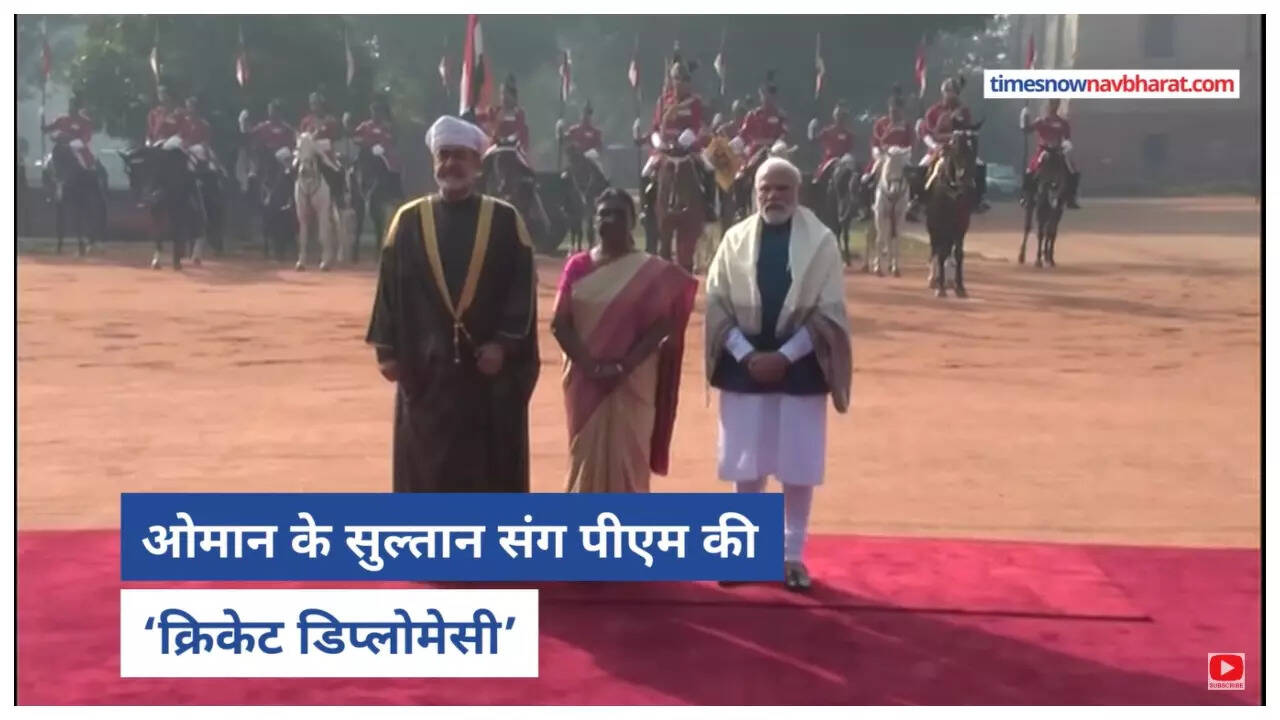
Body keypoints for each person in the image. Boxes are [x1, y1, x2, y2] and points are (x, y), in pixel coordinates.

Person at [365, 115, 540, 493]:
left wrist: (503, 345)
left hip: (486, 375)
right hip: (426, 373)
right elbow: (389, 289)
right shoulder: (408, 222)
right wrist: (386, 351)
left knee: (487, 471)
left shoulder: (505, 221)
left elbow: (521, 288)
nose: (451, 164)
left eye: (460, 156)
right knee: (426, 470)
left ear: (477, 163)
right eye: (443, 155)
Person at [705, 156, 852, 591]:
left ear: (798, 192)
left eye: (782, 188)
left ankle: (791, 557)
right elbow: (717, 305)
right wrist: (747, 355)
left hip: (802, 366)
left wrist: (785, 357)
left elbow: (828, 312)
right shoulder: (733, 240)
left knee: (797, 465)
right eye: (765, 189)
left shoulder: (822, 242)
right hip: (743, 365)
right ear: (755, 193)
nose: (773, 196)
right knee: (746, 464)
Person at [552, 187, 698, 493]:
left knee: (631, 459)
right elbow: (559, 323)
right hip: (585, 382)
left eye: (619, 214)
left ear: (633, 221)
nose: (610, 220)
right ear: (594, 220)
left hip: (634, 381)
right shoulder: (577, 266)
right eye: (604, 213)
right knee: (584, 457)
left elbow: (663, 324)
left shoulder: (652, 271)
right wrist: (591, 367)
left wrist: (624, 366)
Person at [641, 55, 716, 225]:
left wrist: (684, 140)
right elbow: (656, 126)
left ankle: (709, 206)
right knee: (645, 173)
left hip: (688, 147)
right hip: (665, 147)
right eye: (678, 79)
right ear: (672, 80)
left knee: (709, 169)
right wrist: (658, 142)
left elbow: (695, 126)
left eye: (685, 80)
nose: (681, 83)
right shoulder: (663, 101)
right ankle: (646, 209)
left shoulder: (694, 102)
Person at [907, 76, 988, 220]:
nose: (951, 95)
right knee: (921, 167)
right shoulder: (933, 111)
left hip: (959, 148)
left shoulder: (964, 110)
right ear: (943, 92)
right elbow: (927, 133)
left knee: (980, 165)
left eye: (954, 92)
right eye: (948, 92)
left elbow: (967, 129)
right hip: (938, 147)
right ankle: (916, 200)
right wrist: (935, 146)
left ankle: (979, 199)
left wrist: (964, 138)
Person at [1020, 98, 1081, 209]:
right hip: (1043, 149)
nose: (1054, 106)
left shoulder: (1063, 122)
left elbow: (1067, 138)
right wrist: (1024, 115)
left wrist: (1066, 145)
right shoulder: (1041, 121)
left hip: (1058, 149)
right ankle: (1027, 197)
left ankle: (1071, 197)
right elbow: (1027, 130)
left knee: (1073, 170)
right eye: (1052, 103)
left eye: (1056, 103)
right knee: (1030, 171)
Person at [862, 87, 914, 211]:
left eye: (897, 111)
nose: (894, 114)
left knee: (913, 176)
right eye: (892, 111)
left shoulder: (907, 126)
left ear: (902, 111)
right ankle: (868, 204)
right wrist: (879, 154)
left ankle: (911, 203)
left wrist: (902, 154)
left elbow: (911, 145)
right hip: (883, 156)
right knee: (867, 178)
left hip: (901, 157)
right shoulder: (881, 124)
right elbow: (875, 143)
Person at [348, 97, 404, 194]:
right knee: (354, 169)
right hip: (367, 154)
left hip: (384, 156)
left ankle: (395, 191)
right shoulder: (365, 126)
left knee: (393, 169)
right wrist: (365, 143)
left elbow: (391, 139)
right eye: (373, 111)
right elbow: (355, 137)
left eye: (378, 112)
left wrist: (382, 146)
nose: (375, 114)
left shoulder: (387, 127)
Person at [298, 90, 345, 203]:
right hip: (309, 155)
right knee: (292, 170)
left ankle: (339, 197)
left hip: (326, 154)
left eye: (316, 103)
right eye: (312, 103)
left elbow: (336, 137)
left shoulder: (331, 120)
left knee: (338, 171)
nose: (314, 106)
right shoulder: (306, 121)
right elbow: (301, 137)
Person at [737, 73, 789, 159]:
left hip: (774, 155)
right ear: (761, 95)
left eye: (771, 93)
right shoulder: (753, 115)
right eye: (764, 94)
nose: (767, 97)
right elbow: (742, 136)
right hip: (754, 156)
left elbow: (784, 137)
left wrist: (771, 144)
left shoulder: (781, 117)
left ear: (775, 96)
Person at [484, 75, 532, 167]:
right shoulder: (493, 112)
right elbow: (490, 133)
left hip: (516, 152)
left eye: (507, 93)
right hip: (496, 149)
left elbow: (524, 138)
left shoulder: (519, 114)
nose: (504, 97)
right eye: (502, 93)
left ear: (514, 96)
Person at [43, 94, 99, 172]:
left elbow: (85, 138)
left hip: (77, 149)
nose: (71, 108)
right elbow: (50, 128)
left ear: (78, 107)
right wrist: (46, 128)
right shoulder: (61, 119)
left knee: (86, 166)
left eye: (73, 106)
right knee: (49, 164)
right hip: (60, 147)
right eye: (70, 105)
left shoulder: (85, 122)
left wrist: (71, 143)